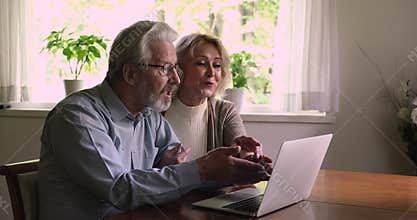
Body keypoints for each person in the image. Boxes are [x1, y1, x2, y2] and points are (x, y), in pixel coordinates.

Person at [38, 21, 270, 220]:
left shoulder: (150, 117)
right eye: (166, 69)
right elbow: (121, 190)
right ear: (130, 74)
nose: (176, 79)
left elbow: (180, 176)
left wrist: (232, 169)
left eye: (176, 69)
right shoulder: (76, 116)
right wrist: (202, 169)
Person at [165, 33, 270, 163]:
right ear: (178, 69)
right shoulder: (157, 111)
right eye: (201, 63)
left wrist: (247, 154)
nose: (211, 72)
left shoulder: (225, 110)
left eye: (217, 65)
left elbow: (239, 143)